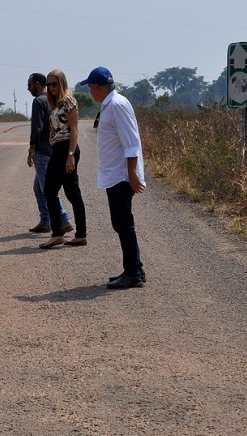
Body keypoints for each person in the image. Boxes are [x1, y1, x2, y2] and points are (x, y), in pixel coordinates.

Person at [79, 66, 146, 289]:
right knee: (122, 223)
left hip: (121, 175)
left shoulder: (116, 105)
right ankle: (135, 267)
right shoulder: (110, 105)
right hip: (116, 173)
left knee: (123, 223)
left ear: (98, 87)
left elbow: (131, 143)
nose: (90, 92)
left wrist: (132, 174)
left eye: (90, 88)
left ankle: (133, 273)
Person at [39, 69, 87, 249]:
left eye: (54, 83)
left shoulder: (68, 101)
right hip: (58, 149)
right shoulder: (56, 103)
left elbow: (74, 129)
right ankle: (80, 235)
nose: (51, 87)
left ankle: (57, 233)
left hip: (66, 149)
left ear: (62, 83)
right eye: (48, 84)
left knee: (50, 190)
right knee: (72, 193)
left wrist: (71, 156)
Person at [27, 73, 73, 234]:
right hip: (54, 148)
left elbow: (37, 127)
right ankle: (45, 220)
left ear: (38, 84)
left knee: (47, 188)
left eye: (30, 85)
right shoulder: (51, 99)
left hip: (43, 150)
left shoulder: (38, 101)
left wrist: (32, 149)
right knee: (38, 187)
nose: (28, 88)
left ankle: (64, 219)